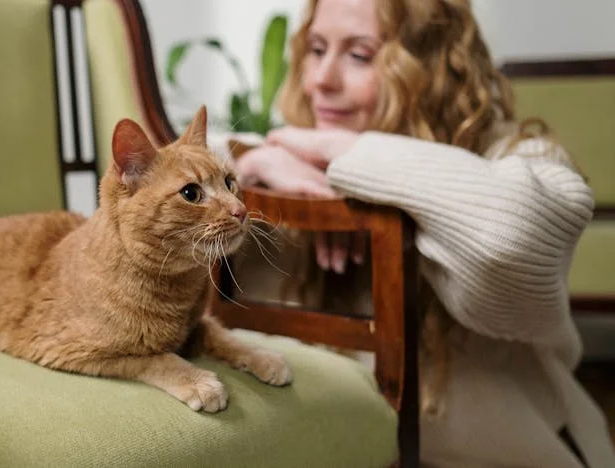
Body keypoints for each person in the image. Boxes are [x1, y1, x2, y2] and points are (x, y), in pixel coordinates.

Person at [232, 0, 615, 466]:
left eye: (359, 55)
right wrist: (254, 162)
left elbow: (510, 236)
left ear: (429, 67)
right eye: (316, 49)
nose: (320, 80)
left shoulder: (514, 155)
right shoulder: (282, 164)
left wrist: (346, 159)